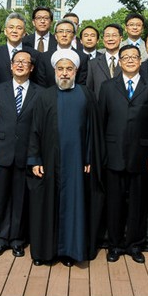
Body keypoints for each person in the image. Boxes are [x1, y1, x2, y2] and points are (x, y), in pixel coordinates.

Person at [27, 49, 105, 267]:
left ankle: (70, 251)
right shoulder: (44, 96)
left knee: (74, 205)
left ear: (76, 71)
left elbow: (93, 131)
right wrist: (35, 159)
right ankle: (47, 252)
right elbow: (34, 130)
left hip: (76, 163)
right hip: (49, 162)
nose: (64, 73)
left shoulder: (86, 94)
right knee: (47, 205)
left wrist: (89, 158)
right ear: (54, 71)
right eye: (60, 69)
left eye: (69, 69)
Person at [99, 45, 148, 264]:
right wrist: (102, 154)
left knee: (138, 203)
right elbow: (101, 122)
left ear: (140, 61)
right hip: (113, 154)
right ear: (120, 62)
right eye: (126, 57)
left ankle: (135, 245)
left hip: (141, 155)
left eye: (135, 57)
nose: (131, 60)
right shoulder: (107, 87)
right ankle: (114, 245)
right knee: (114, 203)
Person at [0, 50, 41, 258]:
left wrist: (36, 156)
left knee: (20, 199)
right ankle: (0, 239)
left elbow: (39, 128)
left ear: (31, 68)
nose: (20, 65)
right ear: (10, 66)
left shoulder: (39, 92)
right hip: (2, 152)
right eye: (17, 61)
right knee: (1, 198)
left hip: (26, 155)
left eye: (25, 62)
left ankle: (17, 239)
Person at [0, 12, 39, 95]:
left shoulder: (34, 54)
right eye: (11, 27)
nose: (14, 31)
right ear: (5, 31)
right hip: (1, 99)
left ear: (24, 33)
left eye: (19, 28)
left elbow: (36, 82)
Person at [35, 19, 89, 87]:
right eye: (60, 31)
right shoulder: (44, 57)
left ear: (73, 36)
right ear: (55, 35)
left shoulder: (82, 57)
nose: (64, 35)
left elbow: (81, 84)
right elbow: (41, 84)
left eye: (68, 31)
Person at [87, 23, 123, 99]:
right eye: (107, 36)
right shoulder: (93, 64)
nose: (110, 39)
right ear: (103, 39)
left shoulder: (127, 62)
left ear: (121, 38)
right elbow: (89, 90)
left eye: (114, 35)